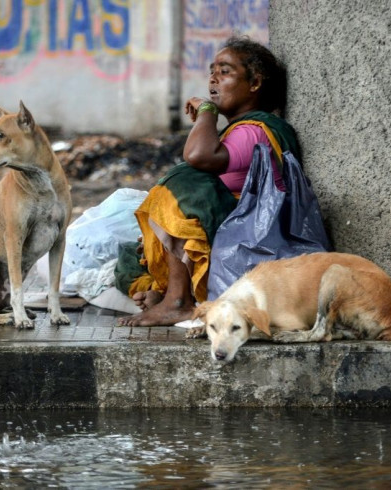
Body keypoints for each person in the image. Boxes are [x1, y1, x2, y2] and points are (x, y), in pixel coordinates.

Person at [117, 36, 301, 327]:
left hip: (250, 248)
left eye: (225, 71)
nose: (213, 79)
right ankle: (164, 293)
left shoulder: (255, 131)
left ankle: (178, 300)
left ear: (254, 84)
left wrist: (206, 112)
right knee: (130, 256)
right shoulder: (236, 131)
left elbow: (197, 156)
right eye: (212, 71)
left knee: (183, 182)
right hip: (224, 239)